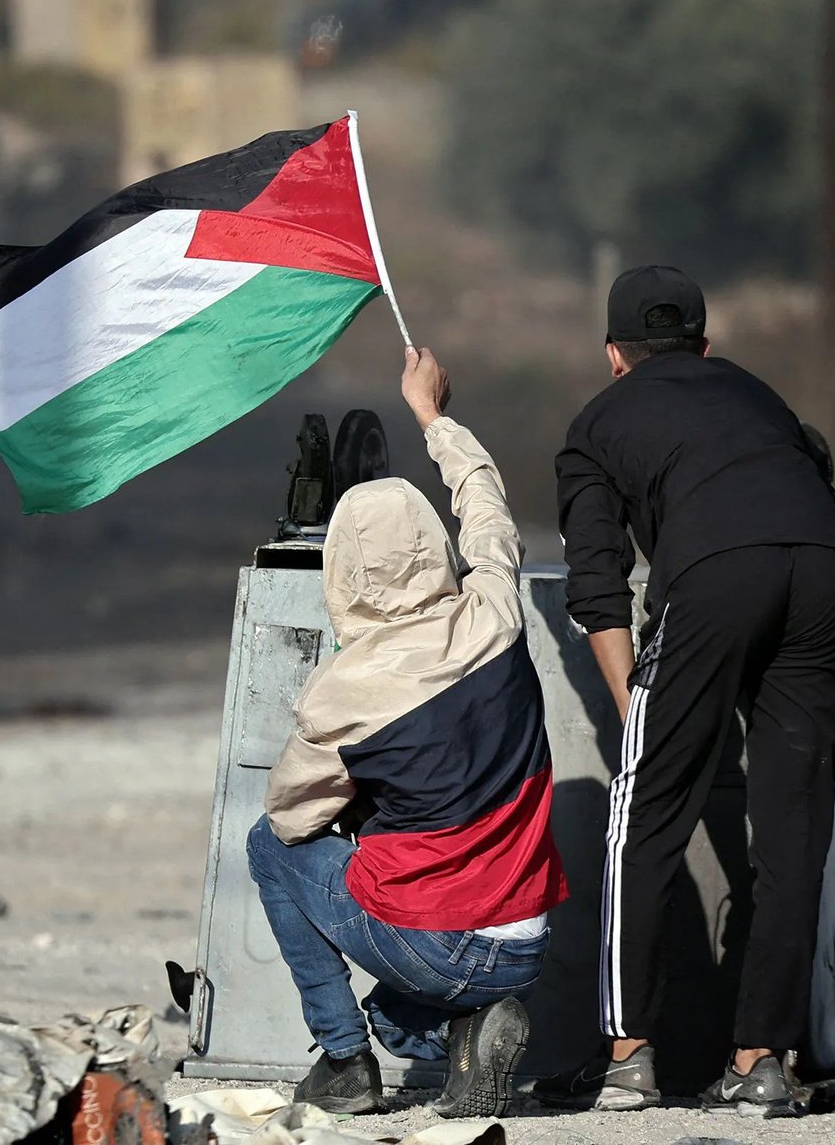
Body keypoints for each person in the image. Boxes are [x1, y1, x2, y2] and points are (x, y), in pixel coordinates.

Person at [533, 266, 835, 1119]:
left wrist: (632, 704)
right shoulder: (757, 395)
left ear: (614, 355)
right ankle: (761, 1062)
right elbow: (811, 471)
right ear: (705, 347)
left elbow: (597, 584)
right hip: (827, 567)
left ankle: (629, 1054)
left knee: (643, 814)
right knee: (793, 830)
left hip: (715, 576)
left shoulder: (597, 424)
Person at [247, 345, 568, 1119]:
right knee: (399, 1014)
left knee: (266, 845)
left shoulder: (341, 694)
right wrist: (432, 414)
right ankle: (471, 1039)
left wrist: (363, 803)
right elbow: (485, 505)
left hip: (435, 944)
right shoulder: (495, 611)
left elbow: (294, 818)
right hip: (525, 939)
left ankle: (344, 1061)